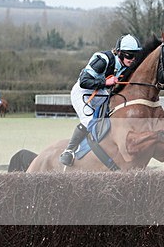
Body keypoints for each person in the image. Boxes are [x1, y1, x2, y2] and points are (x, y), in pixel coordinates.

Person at [59, 34, 142, 166]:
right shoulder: (103, 59)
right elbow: (84, 82)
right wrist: (105, 82)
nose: (132, 59)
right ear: (119, 52)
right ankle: (69, 151)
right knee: (90, 121)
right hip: (83, 92)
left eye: (135, 55)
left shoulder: (128, 66)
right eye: (129, 55)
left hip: (101, 93)